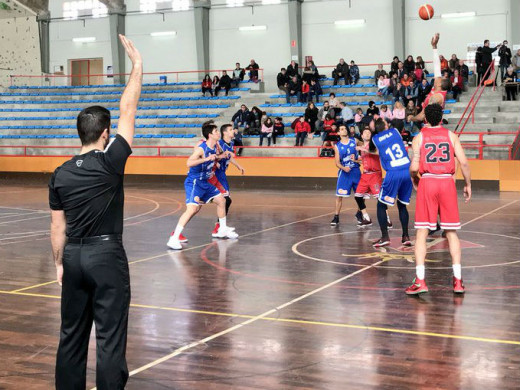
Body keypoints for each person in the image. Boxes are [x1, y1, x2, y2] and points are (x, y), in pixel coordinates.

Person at [50, 34, 142, 390]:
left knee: (71, 335)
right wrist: (137, 67)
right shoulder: (111, 162)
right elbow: (128, 109)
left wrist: (59, 264)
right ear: (105, 135)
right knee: (110, 337)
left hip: (72, 255)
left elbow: (57, 226)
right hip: (106, 255)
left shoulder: (60, 173)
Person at [406, 103, 471, 295]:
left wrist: (413, 179)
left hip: (428, 182)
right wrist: (467, 184)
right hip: (446, 182)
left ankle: (420, 281)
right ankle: (458, 281)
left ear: (425, 119)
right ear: (441, 118)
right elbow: (464, 163)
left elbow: (414, 167)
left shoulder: (419, 138)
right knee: (451, 232)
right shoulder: (451, 136)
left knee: (422, 233)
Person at [167, 123, 239, 250]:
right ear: (210, 135)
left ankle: (222, 229)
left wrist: (220, 157)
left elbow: (216, 156)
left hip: (205, 182)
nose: (218, 133)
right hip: (195, 182)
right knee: (192, 210)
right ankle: (174, 238)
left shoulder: (216, 147)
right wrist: (205, 160)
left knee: (222, 200)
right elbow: (188, 162)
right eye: (216, 131)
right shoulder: (201, 148)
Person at [371, 118, 413, 247]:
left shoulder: (375, 139)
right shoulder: (395, 131)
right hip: (407, 170)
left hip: (393, 172)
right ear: (386, 125)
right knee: (402, 205)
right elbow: (399, 121)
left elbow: (372, 148)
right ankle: (405, 236)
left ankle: (385, 237)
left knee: (381, 206)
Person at [209, 124, 246, 235]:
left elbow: (229, 157)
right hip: (216, 174)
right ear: (224, 133)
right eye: (230, 130)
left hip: (222, 175)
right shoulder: (219, 144)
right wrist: (216, 163)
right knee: (226, 200)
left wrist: (238, 165)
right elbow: (212, 155)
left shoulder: (231, 143)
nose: (233, 131)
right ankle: (219, 227)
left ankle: (220, 226)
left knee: (226, 200)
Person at [354, 127, 393, 228]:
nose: (367, 134)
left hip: (375, 174)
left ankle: (387, 219)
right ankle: (366, 218)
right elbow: (365, 160)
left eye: (369, 132)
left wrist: (363, 149)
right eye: (365, 132)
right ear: (362, 136)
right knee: (358, 196)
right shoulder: (362, 147)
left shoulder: (374, 145)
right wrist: (356, 160)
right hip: (365, 175)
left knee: (380, 198)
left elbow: (379, 153)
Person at [330, 125, 361, 226]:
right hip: (344, 173)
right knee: (339, 196)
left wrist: (360, 157)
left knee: (360, 195)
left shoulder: (354, 141)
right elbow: (337, 163)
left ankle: (359, 213)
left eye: (345, 128)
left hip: (356, 171)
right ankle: (336, 216)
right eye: (342, 129)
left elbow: (365, 146)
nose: (344, 130)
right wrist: (344, 168)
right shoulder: (337, 146)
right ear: (338, 133)